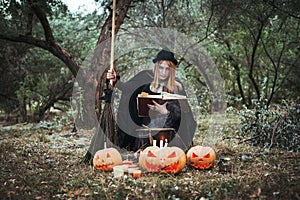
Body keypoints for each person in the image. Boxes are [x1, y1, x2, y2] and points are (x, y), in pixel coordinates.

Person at [107, 49, 196, 151]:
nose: (163, 72)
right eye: (161, 68)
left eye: (167, 69)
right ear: (156, 67)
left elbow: (185, 114)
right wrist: (114, 80)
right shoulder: (145, 78)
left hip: (170, 130)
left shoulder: (177, 87)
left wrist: (166, 111)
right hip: (149, 128)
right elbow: (127, 88)